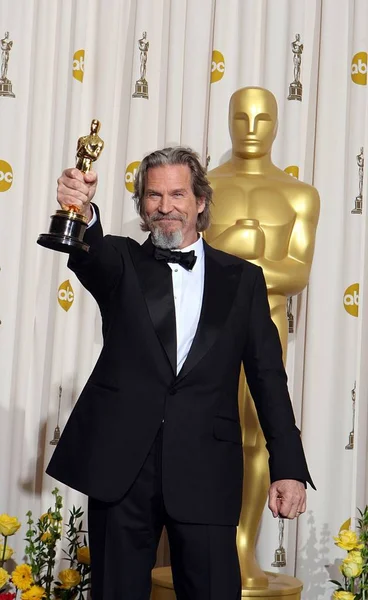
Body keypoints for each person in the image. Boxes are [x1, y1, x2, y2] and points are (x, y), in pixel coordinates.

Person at [46, 146, 314, 600]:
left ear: (201, 201)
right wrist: (83, 210)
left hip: (206, 468)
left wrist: (286, 466)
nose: (165, 206)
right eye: (153, 196)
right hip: (123, 470)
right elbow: (89, 253)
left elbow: (268, 379)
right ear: (142, 205)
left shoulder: (243, 280)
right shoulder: (122, 262)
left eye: (177, 194)